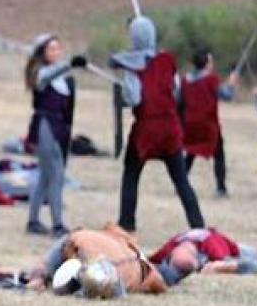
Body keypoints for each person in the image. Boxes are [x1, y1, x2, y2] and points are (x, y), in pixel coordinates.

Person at [110, 13, 204, 232]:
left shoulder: (132, 67)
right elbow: (175, 91)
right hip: (170, 128)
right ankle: (198, 225)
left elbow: (134, 98)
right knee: (181, 181)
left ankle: (127, 221)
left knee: (131, 175)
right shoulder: (167, 60)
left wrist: (125, 83)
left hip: (146, 129)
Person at [0, 223, 168, 297]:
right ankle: (32, 275)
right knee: (45, 269)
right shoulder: (77, 244)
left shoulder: (122, 275)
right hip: (104, 248)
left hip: (110, 253)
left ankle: (31, 275)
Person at [23, 33, 87, 235]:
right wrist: (70, 64)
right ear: (42, 52)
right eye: (51, 49)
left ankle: (32, 221)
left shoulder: (63, 78)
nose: (56, 52)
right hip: (45, 127)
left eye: (58, 48)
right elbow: (45, 77)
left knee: (45, 176)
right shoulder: (39, 73)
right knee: (56, 176)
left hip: (59, 128)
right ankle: (58, 225)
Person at [148, 228, 257, 285]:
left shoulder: (213, 249)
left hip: (234, 249)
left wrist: (222, 267)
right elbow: (147, 261)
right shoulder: (168, 248)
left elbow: (252, 267)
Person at [181, 49, 237, 198]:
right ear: (206, 63)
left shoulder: (185, 80)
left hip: (190, 125)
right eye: (210, 61)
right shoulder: (211, 79)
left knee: (191, 153)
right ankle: (221, 187)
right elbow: (226, 95)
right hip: (208, 125)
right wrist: (231, 84)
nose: (212, 64)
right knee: (219, 154)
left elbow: (179, 101)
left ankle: (180, 182)